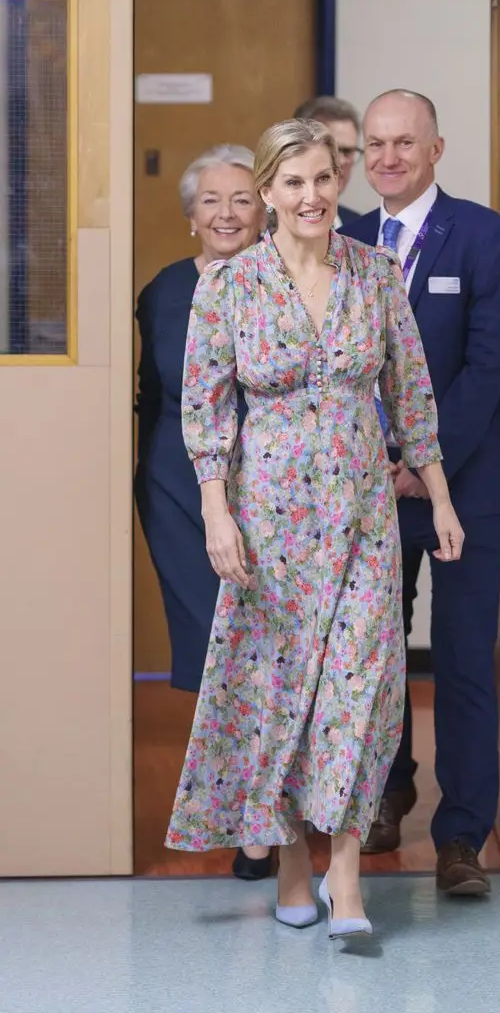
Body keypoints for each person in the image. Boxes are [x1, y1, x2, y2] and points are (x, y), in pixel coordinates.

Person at [165, 117, 464, 938]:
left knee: (361, 693)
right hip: (269, 523)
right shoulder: (228, 286)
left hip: (363, 516)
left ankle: (345, 874)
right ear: (267, 193)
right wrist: (215, 510)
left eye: (324, 179)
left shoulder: (373, 273)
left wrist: (437, 496)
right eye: (292, 182)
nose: (310, 196)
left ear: (341, 184)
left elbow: (412, 393)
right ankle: (292, 862)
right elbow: (204, 407)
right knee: (279, 695)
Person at [342, 90, 500, 896]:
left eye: (403, 144)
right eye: (374, 144)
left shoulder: (483, 237)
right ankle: (386, 792)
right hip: (366, 490)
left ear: (436, 149)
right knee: (373, 663)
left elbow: (488, 365)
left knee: (460, 662)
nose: (387, 158)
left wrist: (426, 458)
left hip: (466, 489)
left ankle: (460, 839)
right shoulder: (340, 238)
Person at [134, 143, 273, 882]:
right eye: (210, 201)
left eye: (241, 198)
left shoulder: (286, 284)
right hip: (178, 494)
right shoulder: (160, 293)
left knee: (265, 658)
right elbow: (149, 399)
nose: (226, 213)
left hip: (275, 491)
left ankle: (262, 821)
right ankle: (244, 817)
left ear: (265, 211)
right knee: (217, 657)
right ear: (190, 217)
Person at [293, 96, 363, 225]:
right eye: (332, 150)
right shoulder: (266, 226)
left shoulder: (358, 225)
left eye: (347, 151)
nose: (341, 161)